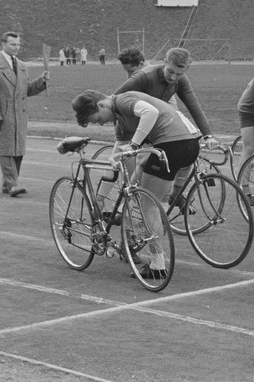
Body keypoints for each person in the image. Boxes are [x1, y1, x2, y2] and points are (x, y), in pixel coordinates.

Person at [72, 89, 201, 280]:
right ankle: (126, 215)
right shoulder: (122, 116)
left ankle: (157, 265)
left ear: (101, 105)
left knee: (148, 207)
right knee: (140, 186)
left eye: (96, 118)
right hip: (191, 143)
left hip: (172, 146)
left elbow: (151, 113)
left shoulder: (123, 101)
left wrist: (133, 146)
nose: (99, 123)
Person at [114, 47, 218, 206]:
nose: (174, 77)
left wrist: (208, 134)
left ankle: (174, 195)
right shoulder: (144, 76)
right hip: (131, 126)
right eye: (170, 71)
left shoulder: (181, 80)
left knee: (187, 153)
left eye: (179, 74)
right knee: (136, 164)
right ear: (164, 62)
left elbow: (193, 106)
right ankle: (119, 208)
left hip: (154, 125)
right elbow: (114, 100)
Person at [0, 32, 49, 197]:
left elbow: (27, 90)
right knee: (4, 150)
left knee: (18, 151)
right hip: (3, 115)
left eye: (18, 44)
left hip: (19, 116)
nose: (16, 47)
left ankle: (7, 184)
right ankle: (12, 185)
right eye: (13, 44)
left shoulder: (22, 66)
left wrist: (42, 81)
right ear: (3, 44)